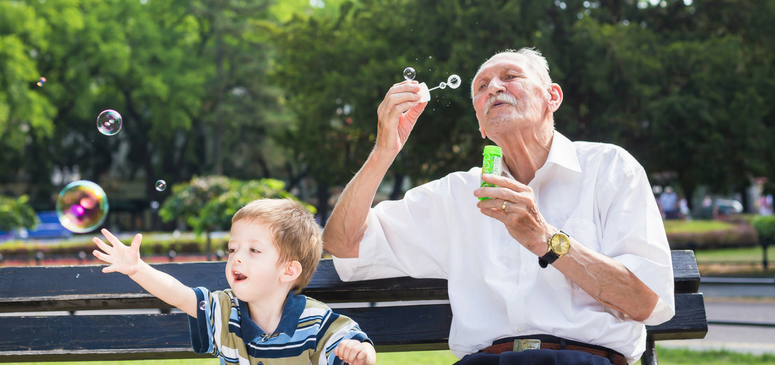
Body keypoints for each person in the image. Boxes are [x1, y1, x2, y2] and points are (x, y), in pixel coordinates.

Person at [323, 48, 674, 365]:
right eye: (481, 86)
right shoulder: (457, 194)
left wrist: (544, 239)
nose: (493, 88)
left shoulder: (610, 168)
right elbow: (342, 243)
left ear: (552, 97)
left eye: (510, 77)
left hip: (583, 360)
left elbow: (643, 301)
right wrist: (385, 149)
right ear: (479, 122)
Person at [93, 199, 376, 365]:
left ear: (289, 271)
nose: (236, 258)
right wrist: (137, 269)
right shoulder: (226, 310)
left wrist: (362, 353)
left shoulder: (314, 320)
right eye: (233, 249)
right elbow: (179, 295)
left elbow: (355, 344)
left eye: (253, 250)